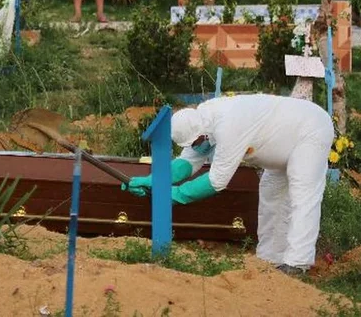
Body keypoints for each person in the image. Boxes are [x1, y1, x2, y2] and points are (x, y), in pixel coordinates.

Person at [122, 94, 334, 275]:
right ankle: (270, 259)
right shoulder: (199, 124)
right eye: (193, 144)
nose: (197, 147)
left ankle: (298, 262)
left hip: (310, 128)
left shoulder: (228, 125)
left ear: (203, 133)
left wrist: (175, 195)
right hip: (279, 145)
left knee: (302, 193)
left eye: (197, 142)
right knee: (270, 194)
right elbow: (187, 163)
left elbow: (217, 181)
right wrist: (153, 181)